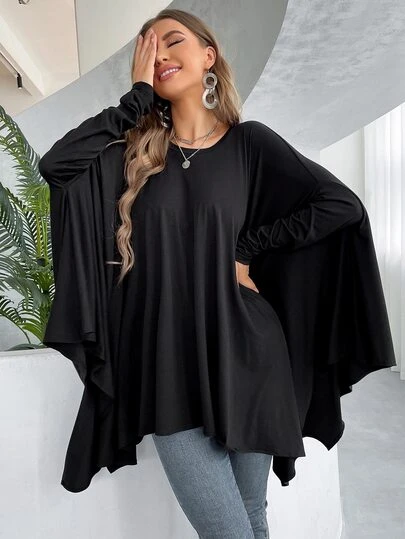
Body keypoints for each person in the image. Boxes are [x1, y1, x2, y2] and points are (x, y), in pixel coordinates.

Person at [38, 8, 396, 539]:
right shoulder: (132, 158)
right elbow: (56, 166)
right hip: (166, 365)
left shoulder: (249, 144)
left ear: (208, 56)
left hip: (249, 355)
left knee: (251, 518)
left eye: (173, 41)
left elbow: (340, 205)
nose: (160, 55)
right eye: (149, 49)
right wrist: (135, 101)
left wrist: (248, 247)